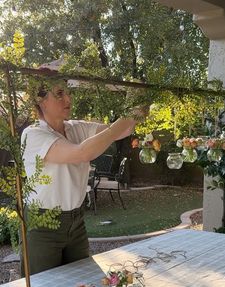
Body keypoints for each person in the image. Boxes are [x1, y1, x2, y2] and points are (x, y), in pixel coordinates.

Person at [21, 81, 148, 275]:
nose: (68, 98)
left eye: (68, 92)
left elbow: (120, 131)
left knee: (82, 285)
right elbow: (82, 153)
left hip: (76, 221)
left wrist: (135, 111)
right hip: (43, 227)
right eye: (59, 93)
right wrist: (128, 117)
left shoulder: (76, 128)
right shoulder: (33, 134)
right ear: (41, 101)